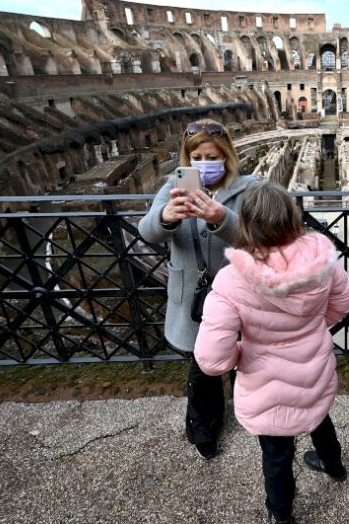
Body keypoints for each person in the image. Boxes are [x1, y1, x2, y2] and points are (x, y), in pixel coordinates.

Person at [193, 182, 349, 524]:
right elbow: (345, 303)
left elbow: (212, 360)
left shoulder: (230, 281)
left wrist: (244, 352)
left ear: (247, 225)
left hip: (266, 383)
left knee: (277, 452)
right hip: (311, 367)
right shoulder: (321, 261)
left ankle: (281, 515)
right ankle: (334, 466)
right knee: (318, 419)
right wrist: (312, 327)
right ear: (293, 219)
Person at [137, 118, 260, 460]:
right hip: (195, 296)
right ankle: (204, 428)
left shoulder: (249, 187)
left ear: (227, 156)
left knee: (246, 361)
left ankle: (250, 413)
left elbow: (257, 239)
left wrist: (222, 218)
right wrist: (166, 216)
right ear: (187, 158)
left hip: (238, 297)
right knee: (203, 369)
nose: (205, 163)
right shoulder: (175, 184)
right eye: (197, 157)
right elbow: (147, 232)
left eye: (213, 155)